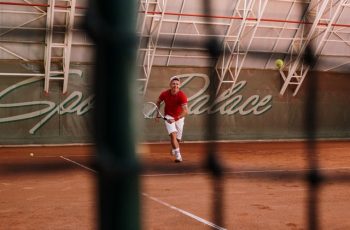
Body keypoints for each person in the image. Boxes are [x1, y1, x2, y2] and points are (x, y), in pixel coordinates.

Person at [156, 76, 188, 163]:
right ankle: (178, 156)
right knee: (173, 135)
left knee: (178, 139)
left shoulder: (182, 96)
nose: (175, 85)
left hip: (179, 117)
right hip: (168, 116)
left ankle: (174, 147)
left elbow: (186, 111)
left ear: (179, 85)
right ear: (170, 84)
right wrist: (157, 114)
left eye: (177, 84)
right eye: (173, 84)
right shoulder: (164, 94)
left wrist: (176, 119)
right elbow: (158, 102)